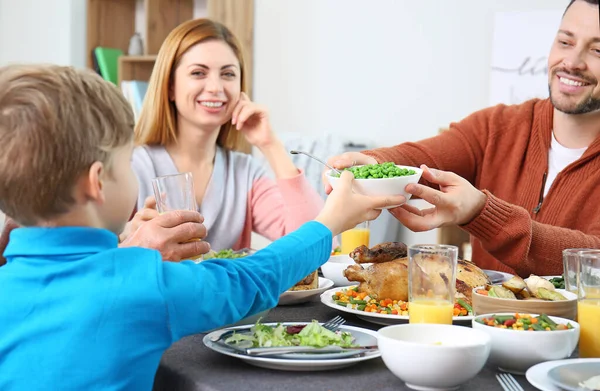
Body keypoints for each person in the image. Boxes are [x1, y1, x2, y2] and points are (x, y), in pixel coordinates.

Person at [0, 64, 402, 390]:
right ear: (97, 181)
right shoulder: (142, 284)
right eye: (126, 164)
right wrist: (330, 221)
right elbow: (252, 278)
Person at [325, 0, 600, 278]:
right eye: (565, 42)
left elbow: (594, 260)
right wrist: (372, 164)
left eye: (597, 50)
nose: (573, 62)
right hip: (477, 318)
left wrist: (482, 213)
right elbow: (426, 158)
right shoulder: (498, 126)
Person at [128, 18, 325, 252]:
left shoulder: (245, 173)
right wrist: (129, 243)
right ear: (170, 86)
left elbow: (319, 243)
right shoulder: (132, 167)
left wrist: (270, 144)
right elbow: (92, 266)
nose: (215, 87)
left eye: (228, 74)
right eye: (199, 73)